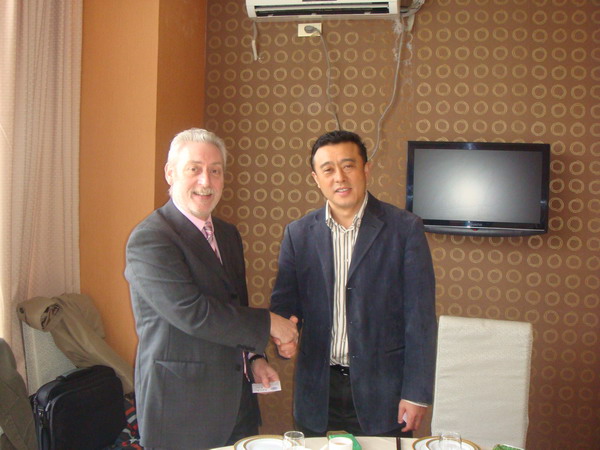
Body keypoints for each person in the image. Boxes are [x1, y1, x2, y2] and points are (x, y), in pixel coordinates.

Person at [125, 128, 298, 449]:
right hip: (181, 411)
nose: (206, 181)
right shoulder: (151, 239)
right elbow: (193, 313)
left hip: (236, 404)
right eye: (194, 169)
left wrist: (254, 358)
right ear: (170, 173)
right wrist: (269, 323)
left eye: (215, 171)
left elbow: (235, 306)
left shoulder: (227, 234)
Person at [270, 130, 437, 437]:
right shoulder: (298, 234)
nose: (339, 177)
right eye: (328, 169)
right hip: (318, 393)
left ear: (366, 169)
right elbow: (285, 305)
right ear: (316, 179)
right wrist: (285, 336)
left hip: (384, 394)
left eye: (348, 166)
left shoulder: (404, 229)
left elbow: (420, 318)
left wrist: (417, 393)